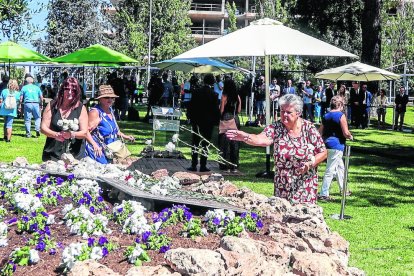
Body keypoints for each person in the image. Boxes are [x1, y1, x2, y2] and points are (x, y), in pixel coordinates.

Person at [226, 94, 327, 204]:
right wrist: (246, 136)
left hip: (305, 187)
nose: (284, 115)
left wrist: (310, 163)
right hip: (282, 187)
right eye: (282, 111)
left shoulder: (308, 128)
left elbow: (323, 152)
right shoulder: (276, 127)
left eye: (289, 112)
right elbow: (261, 139)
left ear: (298, 113)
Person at [41, 77, 88, 161]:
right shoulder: (52, 105)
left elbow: (84, 132)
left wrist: (72, 134)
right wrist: (55, 135)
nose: (70, 92)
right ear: (62, 90)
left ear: (77, 92)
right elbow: (43, 128)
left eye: (73, 90)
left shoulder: (81, 108)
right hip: (52, 154)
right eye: (67, 89)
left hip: (74, 155)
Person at [85, 85, 135, 164]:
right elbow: (86, 132)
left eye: (112, 98)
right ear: (100, 99)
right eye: (106, 97)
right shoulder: (95, 112)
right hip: (98, 149)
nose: (110, 99)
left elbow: (115, 130)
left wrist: (126, 137)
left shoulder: (110, 110)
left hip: (111, 148)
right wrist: (95, 145)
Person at [318, 96, 353, 201]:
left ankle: (344, 189)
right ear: (341, 105)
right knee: (330, 169)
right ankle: (324, 193)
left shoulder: (326, 115)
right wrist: (351, 136)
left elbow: (320, 131)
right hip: (337, 145)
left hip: (327, 144)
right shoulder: (341, 115)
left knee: (340, 168)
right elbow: (345, 133)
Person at [187, 74, 220, 172]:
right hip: (208, 122)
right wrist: (216, 121)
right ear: (212, 82)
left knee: (195, 143)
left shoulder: (196, 92)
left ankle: (193, 164)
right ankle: (203, 165)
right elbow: (215, 110)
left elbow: (191, 106)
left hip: (197, 120)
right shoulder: (214, 95)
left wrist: (190, 117)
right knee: (205, 143)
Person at [219, 79, 241, 172]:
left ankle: (225, 164)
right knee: (235, 143)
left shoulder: (224, 96)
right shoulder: (237, 96)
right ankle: (234, 164)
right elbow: (239, 110)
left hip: (226, 119)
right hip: (235, 119)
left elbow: (221, 110)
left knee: (224, 143)